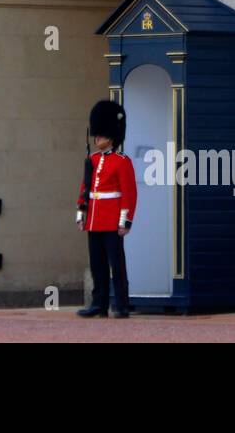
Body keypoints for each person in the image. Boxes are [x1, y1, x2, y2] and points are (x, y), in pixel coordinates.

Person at [75, 99, 137, 319]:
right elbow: (85, 189)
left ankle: (121, 304)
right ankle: (99, 303)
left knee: (116, 265)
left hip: (111, 219)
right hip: (94, 219)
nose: (96, 138)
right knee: (97, 265)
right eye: (96, 134)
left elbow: (128, 194)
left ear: (111, 136)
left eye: (100, 135)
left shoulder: (122, 162)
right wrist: (81, 213)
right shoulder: (92, 160)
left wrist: (125, 221)